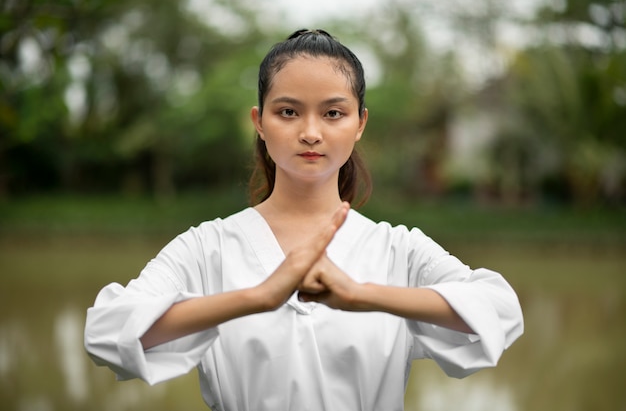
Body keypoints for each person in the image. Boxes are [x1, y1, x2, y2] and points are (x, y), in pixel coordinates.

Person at [84, 29, 524, 411]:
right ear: (259, 122)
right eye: (288, 111)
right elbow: (107, 332)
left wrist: (365, 295)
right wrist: (257, 297)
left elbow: (500, 312)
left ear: (359, 124)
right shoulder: (206, 248)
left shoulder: (397, 250)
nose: (310, 132)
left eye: (333, 113)